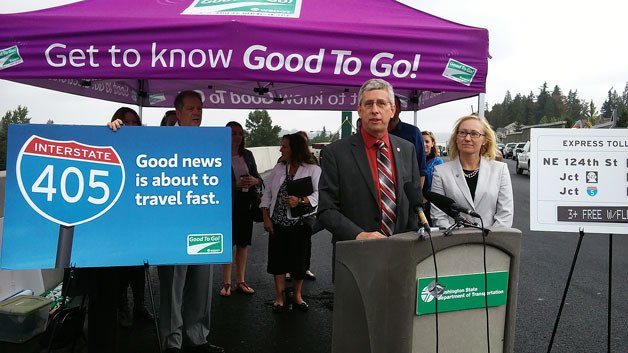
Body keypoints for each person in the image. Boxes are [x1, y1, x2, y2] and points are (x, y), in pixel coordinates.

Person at [109, 91, 223, 353]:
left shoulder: (210, 141)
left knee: (201, 287)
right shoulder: (158, 139)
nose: (197, 112)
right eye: (192, 108)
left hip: (203, 226)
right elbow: (128, 153)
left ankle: (198, 337)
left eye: (200, 108)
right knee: (173, 287)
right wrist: (114, 130)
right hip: (171, 229)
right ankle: (172, 342)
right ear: (178, 112)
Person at [318, 78, 421, 242]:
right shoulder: (335, 153)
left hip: (401, 252)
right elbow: (326, 210)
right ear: (359, 110)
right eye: (368, 104)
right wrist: (359, 235)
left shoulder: (408, 149)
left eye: (381, 103)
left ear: (392, 110)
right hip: (355, 253)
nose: (375, 110)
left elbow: (414, 206)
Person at [260, 134, 321, 313]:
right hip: (277, 222)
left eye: (285, 147)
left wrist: (301, 200)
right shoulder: (279, 168)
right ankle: (279, 297)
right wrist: (265, 217)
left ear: (295, 148)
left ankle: (297, 296)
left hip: (300, 223)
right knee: (278, 260)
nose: (281, 150)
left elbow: (319, 194)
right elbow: (267, 195)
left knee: (299, 261)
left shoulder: (313, 170)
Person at [108, 108, 154, 327]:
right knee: (119, 268)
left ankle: (139, 305)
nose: (130, 125)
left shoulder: (145, 145)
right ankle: (121, 307)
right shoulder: (111, 138)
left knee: (138, 267)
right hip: (117, 221)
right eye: (125, 122)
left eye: (134, 122)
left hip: (141, 219)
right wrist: (112, 129)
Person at [430, 115, 513, 229]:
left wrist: (487, 239)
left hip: (491, 243)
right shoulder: (441, 172)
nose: (467, 138)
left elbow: (505, 214)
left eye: (474, 134)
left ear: (485, 140)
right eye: (463, 133)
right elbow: (438, 216)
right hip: (454, 243)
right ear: (456, 138)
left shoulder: (500, 170)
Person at [219, 121, 261, 297]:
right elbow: (214, 181)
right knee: (228, 243)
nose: (237, 137)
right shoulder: (219, 155)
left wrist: (254, 181)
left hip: (246, 202)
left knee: (243, 243)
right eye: (233, 133)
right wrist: (234, 185)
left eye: (240, 133)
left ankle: (241, 281)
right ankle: (227, 283)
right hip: (227, 203)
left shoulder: (248, 155)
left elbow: (258, 178)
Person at [388, 95, 427, 188]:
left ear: (400, 109)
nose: (392, 110)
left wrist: (417, 197)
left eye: (395, 106)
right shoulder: (376, 133)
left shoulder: (413, 132)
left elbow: (421, 168)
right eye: (388, 106)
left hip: (407, 188)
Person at [421, 131, 444, 226]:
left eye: (427, 141)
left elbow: (438, 183)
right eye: (421, 141)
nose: (424, 144)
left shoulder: (437, 162)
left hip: (431, 202)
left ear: (432, 144)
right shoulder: (414, 159)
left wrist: (426, 198)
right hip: (417, 201)